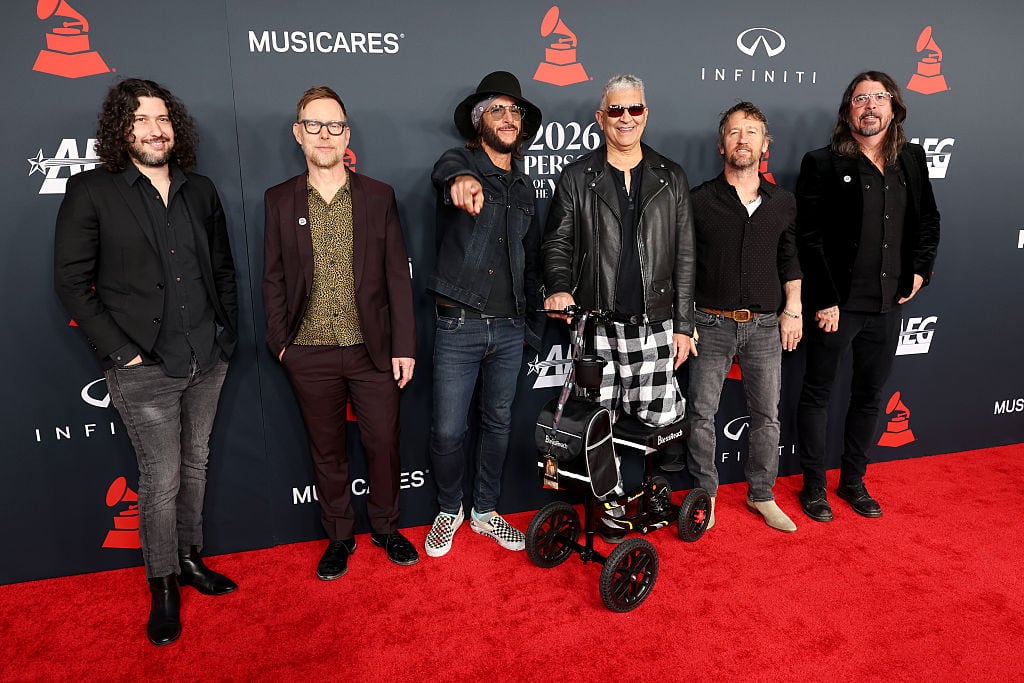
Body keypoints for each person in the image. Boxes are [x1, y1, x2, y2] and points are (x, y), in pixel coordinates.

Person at [54, 78, 238, 646]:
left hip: (206, 357)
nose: (155, 129)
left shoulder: (200, 189)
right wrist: (123, 352)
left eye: (162, 119)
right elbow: (71, 282)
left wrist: (226, 334)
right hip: (143, 366)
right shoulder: (92, 190)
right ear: (121, 129)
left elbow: (224, 270)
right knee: (160, 480)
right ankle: (162, 585)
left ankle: (188, 558)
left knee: (196, 464)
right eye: (140, 120)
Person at [263, 86, 418, 578]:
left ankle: (387, 528)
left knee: (384, 444)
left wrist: (404, 346)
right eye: (313, 124)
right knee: (326, 451)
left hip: (373, 350)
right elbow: (273, 278)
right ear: (298, 133)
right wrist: (281, 345)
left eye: (333, 125)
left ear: (346, 134)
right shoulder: (279, 200)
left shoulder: (378, 196)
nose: (324, 135)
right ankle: (338, 536)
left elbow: (398, 275)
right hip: (307, 353)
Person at [543, 74, 696, 541]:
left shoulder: (671, 177)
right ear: (601, 118)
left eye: (634, 110)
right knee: (595, 423)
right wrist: (558, 286)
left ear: (645, 114)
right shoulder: (576, 176)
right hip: (596, 327)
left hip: (655, 324)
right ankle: (606, 507)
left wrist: (685, 325)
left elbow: (686, 254)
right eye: (616, 110)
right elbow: (558, 242)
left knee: (662, 418)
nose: (626, 118)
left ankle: (656, 491)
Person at [796, 71, 940, 522]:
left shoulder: (912, 160)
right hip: (837, 306)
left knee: (869, 396)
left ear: (895, 108)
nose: (870, 106)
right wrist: (823, 299)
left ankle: (854, 482)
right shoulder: (821, 163)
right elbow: (809, 237)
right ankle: (814, 487)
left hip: (886, 304)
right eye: (860, 99)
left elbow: (929, 222)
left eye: (879, 97)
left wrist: (919, 271)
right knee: (818, 394)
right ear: (847, 112)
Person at [423, 71, 545, 558]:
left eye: (515, 111)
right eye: (497, 109)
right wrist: (463, 178)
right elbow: (447, 167)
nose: (509, 117)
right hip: (459, 324)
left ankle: (486, 511)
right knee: (449, 430)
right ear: (479, 123)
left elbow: (532, 257)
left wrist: (533, 319)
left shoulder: (526, 185)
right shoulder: (459, 163)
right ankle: (449, 509)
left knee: (498, 424)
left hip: (511, 327)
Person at [687, 102, 802, 534]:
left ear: (765, 144)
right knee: (701, 414)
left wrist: (794, 309)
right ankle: (706, 495)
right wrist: (686, 320)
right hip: (710, 322)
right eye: (735, 132)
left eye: (752, 132)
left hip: (767, 326)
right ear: (722, 144)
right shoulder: (699, 200)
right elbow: (685, 265)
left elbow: (790, 258)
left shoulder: (783, 202)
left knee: (767, 415)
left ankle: (762, 494)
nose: (743, 140)